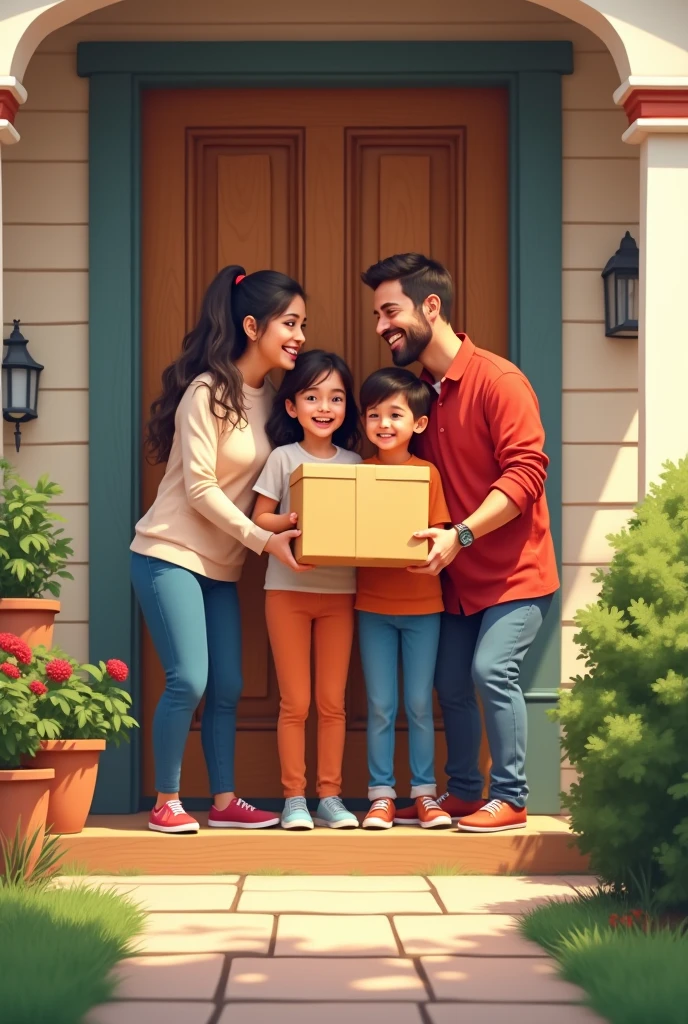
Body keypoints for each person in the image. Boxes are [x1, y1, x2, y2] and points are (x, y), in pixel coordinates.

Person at [361, 253, 560, 834]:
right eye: (377, 315)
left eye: (390, 311)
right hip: (453, 580)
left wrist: (463, 533)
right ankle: (466, 793)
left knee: (490, 671)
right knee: (448, 683)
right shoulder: (418, 396)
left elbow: (526, 475)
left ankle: (512, 795)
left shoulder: (499, 381)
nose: (381, 326)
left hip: (516, 573)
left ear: (431, 307)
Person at [130, 264, 308, 834]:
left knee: (228, 684)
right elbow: (202, 488)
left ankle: (225, 800)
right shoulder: (207, 391)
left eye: (303, 324)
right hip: (169, 553)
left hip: (222, 566)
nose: (300, 336)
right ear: (252, 326)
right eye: (290, 322)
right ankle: (167, 800)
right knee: (189, 678)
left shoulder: (274, 398)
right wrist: (263, 540)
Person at [253, 349, 361, 831]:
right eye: (312, 396)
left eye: (335, 398)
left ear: (346, 408)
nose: (324, 407)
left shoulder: (358, 462)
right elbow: (260, 519)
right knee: (295, 702)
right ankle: (293, 798)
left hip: (341, 595)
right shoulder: (282, 457)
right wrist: (293, 521)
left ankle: (330, 797)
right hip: (287, 592)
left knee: (332, 702)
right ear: (292, 406)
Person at [356, 368, 453, 831]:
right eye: (374, 414)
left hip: (423, 607)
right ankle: (380, 795)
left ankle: (423, 793)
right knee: (380, 704)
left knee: (417, 702)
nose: (383, 423)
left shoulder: (427, 473)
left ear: (417, 423)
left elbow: (441, 534)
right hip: (372, 605)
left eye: (395, 414)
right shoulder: (360, 474)